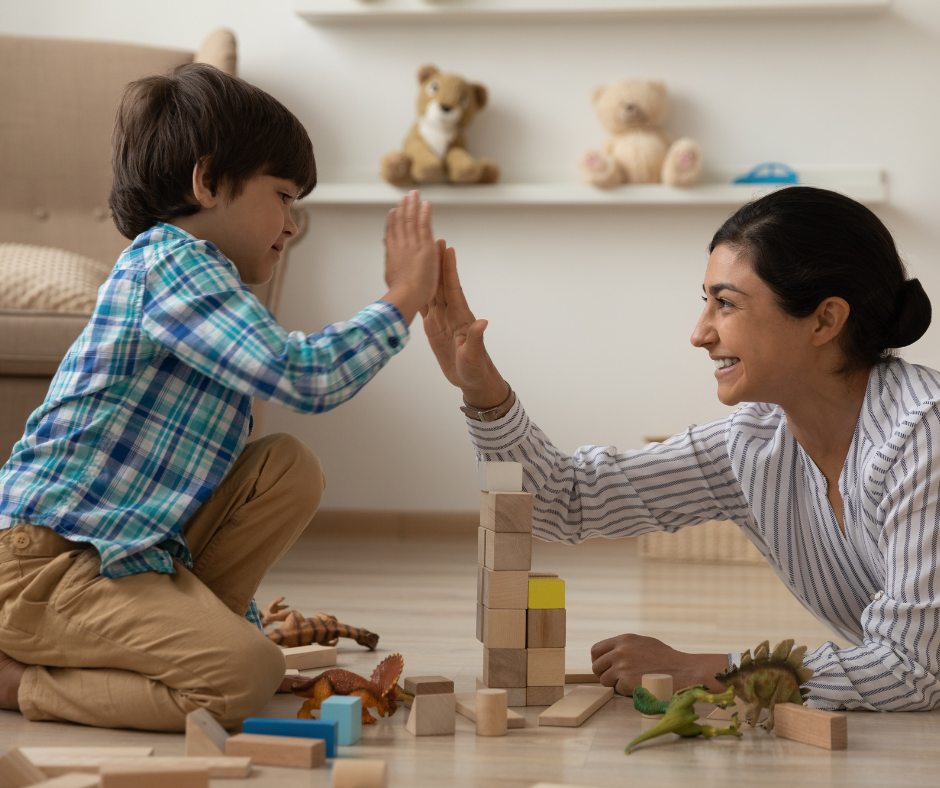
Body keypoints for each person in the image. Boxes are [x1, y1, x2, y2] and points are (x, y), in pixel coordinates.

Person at [0, 63, 441, 730]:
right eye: (284, 196)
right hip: (47, 566)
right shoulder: (173, 263)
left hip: (124, 553)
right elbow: (305, 376)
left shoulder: (207, 284)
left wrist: (236, 625)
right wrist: (404, 296)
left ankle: (195, 640)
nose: (291, 224)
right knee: (244, 679)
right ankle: (19, 682)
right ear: (208, 182)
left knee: (285, 467)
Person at [425, 185, 940, 711]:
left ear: (825, 320)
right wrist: (482, 391)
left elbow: (913, 671)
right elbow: (563, 501)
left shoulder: (924, 437)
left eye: (726, 304)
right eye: (706, 302)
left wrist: (710, 671)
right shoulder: (754, 443)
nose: (699, 333)